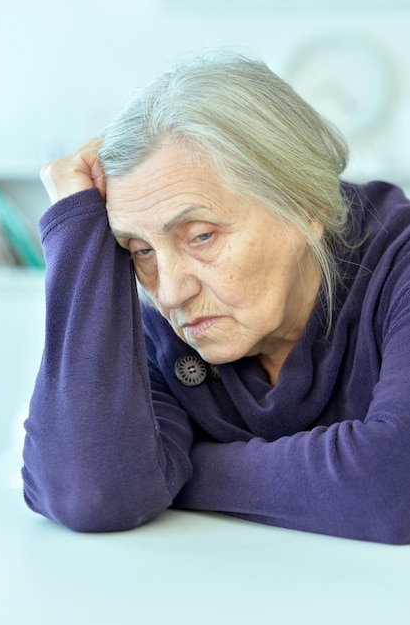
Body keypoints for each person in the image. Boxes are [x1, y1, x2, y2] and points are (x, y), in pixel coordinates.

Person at [22, 50, 410, 544]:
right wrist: (76, 230)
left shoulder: (399, 262)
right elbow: (89, 491)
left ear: (304, 205)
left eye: (201, 236)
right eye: (139, 250)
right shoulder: (155, 320)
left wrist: (171, 469)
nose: (169, 290)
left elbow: (392, 485)